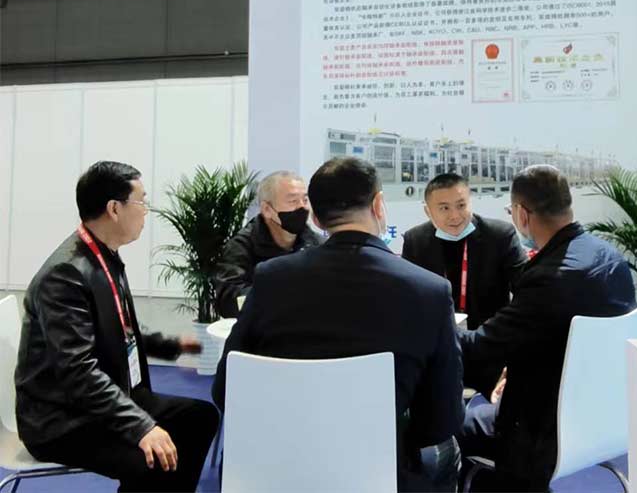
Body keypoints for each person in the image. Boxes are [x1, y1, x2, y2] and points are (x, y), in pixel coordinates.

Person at [213, 157, 464, 492]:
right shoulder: (429, 291)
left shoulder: (271, 279)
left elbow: (226, 388)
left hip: (278, 469)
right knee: (446, 455)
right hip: (379, 476)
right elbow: (443, 419)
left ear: (316, 218)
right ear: (378, 205)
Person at [15, 161, 219, 493]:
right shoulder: (65, 275)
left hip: (103, 398)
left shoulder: (102, 255)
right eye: (141, 201)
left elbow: (117, 330)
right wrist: (141, 427)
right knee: (149, 460)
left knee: (199, 418)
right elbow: (77, 372)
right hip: (62, 418)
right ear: (114, 209)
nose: (146, 211)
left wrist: (171, 345)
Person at [458, 165, 636, 492]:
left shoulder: (549, 277)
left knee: (447, 424)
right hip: (601, 421)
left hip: (538, 433)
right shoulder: (609, 258)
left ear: (522, 214)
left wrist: (435, 319)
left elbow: (479, 347)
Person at [402, 172, 526, 393]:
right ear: (428, 211)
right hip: (438, 351)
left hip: (489, 347)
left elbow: (525, 293)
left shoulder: (500, 235)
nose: (455, 215)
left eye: (461, 205)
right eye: (444, 208)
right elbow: (409, 301)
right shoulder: (415, 240)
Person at [213, 170, 323, 317]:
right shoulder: (241, 246)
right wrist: (280, 297)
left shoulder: (317, 244)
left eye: (305, 200)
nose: (302, 207)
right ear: (267, 209)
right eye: (293, 201)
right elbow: (228, 300)